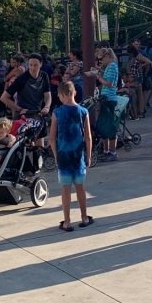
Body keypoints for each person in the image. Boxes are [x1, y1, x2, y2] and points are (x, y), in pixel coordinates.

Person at [50, 80, 94, 232]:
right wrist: (88, 155)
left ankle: (67, 221)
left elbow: (52, 138)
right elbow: (88, 136)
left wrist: (55, 155)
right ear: (74, 93)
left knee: (65, 189)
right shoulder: (84, 112)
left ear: (61, 95)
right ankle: (84, 217)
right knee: (80, 188)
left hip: (63, 155)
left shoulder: (56, 113)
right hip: (78, 156)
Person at [2, 54, 52, 148]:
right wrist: (19, 109)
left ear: (41, 64)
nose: (33, 68)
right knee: (26, 145)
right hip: (24, 116)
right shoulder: (22, 78)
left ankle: (39, 161)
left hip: (38, 113)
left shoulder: (44, 76)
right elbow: (4, 97)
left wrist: (47, 106)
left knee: (40, 146)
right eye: (30, 65)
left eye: (35, 65)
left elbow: (47, 95)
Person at [92, 48, 125, 160]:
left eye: (101, 59)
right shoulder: (111, 66)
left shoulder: (111, 67)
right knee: (105, 125)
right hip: (107, 98)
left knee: (109, 126)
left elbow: (109, 83)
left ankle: (112, 152)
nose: (100, 61)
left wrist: (98, 77)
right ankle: (107, 151)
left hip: (109, 98)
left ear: (107, 56)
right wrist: (98, 70)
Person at [126, 44, 151, 118]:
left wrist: (141, 66)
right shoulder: (132, 57)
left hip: (138, 76)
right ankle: (139, 110)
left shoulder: (139, 56)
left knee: (140, 94)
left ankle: (141, 111)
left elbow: (148, 61)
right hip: (132, 76)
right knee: (136, 95)